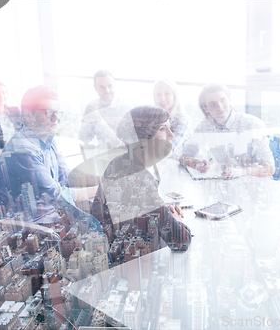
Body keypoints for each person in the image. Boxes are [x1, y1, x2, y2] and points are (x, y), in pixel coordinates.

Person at [72, 106, 192, 263]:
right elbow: (181, 242)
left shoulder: (121, 163)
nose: (171, 136)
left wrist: (161, 212)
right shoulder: (138, 178)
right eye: (163, 129)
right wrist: (176, 219)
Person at [0, 85, 98, 212]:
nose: (56, 118)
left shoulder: (48, 139)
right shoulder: (22, 150)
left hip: (47, 210)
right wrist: (98, 189)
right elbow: (55, 196)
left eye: (57, 112)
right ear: (28, 115)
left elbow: (67, 176)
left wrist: (100, 179)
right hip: (27, 220)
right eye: (48, 112)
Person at [179, 83, 275, 178]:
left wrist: (241, 172)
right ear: (205, 108)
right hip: (226, 182)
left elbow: (269, 168)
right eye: (212, 104)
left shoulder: (252, 124)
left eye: (223, 100)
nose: (220, 107)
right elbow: (183, 156)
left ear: (229, 100)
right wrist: (197, 164)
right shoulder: (205, 127)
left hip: (256, 183)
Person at [78, 70, 131, 149]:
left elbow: (118, 144)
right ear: (95, 88)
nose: (107, 91)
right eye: (102, 87)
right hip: (102, 157)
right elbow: (84, 138)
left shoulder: (124, 107)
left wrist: (97, 119)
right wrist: (87, 121)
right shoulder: (92, 107)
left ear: (114, 84)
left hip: (122, 158)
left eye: (110, 86)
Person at [153, 79, 192, 159]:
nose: (162, 99)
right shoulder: (154, 119)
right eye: (158, 94)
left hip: (174, 168)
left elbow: (167, 151)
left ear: (174, 96)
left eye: (167, 94)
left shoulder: (182, 120)